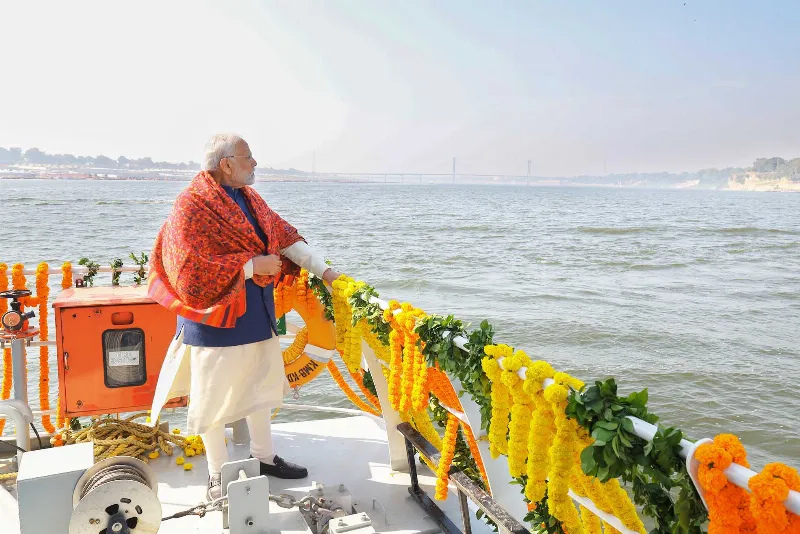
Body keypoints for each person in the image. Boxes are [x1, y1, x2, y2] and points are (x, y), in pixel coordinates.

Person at [147, 133, 341, 500]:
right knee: (212, 397)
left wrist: (326, 272)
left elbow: (285, 238)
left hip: (257, 314)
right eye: (248, 157)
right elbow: (187, 265)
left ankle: (264, 457)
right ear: (227, 164)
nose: (254, 163)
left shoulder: (251, 199)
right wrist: (251, 266)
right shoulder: (192, 204)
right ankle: (218, 474)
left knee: (262, 389)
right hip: (214, 320)